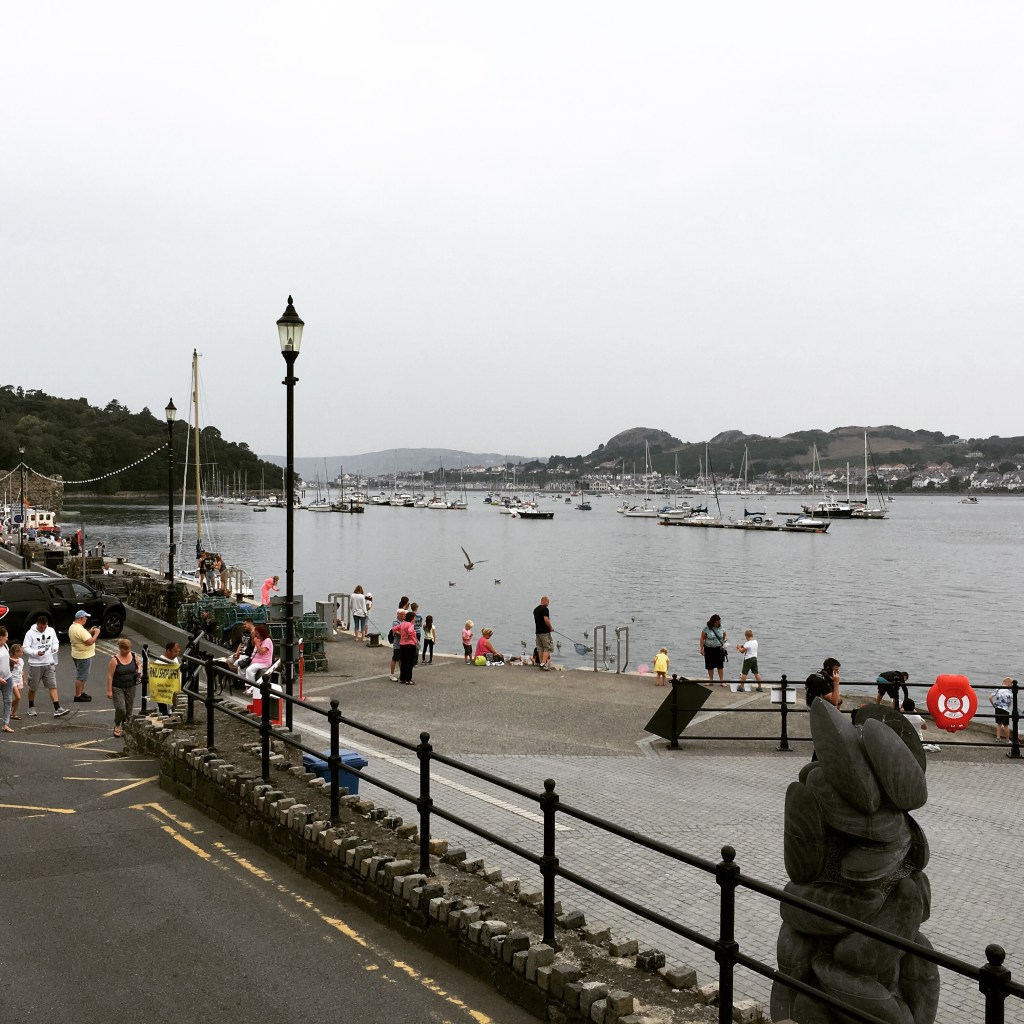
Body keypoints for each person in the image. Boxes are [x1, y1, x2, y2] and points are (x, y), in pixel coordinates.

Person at [23, 615, 69, 718]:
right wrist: (36, 653)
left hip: (49, 663)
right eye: (40, 627)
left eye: (44, 627)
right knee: (33, 687)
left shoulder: (51, 630)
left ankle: (57, 708)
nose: (42, 629)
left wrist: (55, 648)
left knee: (52, 685)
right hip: (36, 664)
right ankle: (31, 707)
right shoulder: (30, 633)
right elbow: (25, 648)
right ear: (37, 624)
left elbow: (55, 642)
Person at [107, 638, 141, 738]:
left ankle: (125, 726)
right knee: (121, 708)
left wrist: (139, 670)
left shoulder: (134, 656)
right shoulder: (114, 660)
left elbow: (139, 664)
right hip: (118, 687)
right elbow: (110, 676)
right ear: (120, 648)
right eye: (125, 649)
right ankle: (117, 724)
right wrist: (109, 691)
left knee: (129, 710)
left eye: (129, 649)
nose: (127, 651)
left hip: (131, 686)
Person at [69, 608, 101, 702]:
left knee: (83, 676)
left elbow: (82, 636)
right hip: (83, 656)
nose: (86, 619)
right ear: (82, 618)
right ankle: (78, 696)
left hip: (77, 653)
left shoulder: (73, 627)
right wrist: (96, 633)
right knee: (81, 676)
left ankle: (81, 692)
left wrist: (90, 631)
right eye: (86, 617)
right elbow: (89, 641)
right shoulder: (79, 629)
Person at [700, 614, 728, 686]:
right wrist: (702, 649)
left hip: (719, 648)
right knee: (710, 665)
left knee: (720, 665)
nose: (718, 623)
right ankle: (711, 680)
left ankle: (721, 681)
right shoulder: (706, 628)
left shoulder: (721, 627)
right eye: (717, 622)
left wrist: (725, 640)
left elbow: (725, 635)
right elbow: (702, 638)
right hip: (709, 648)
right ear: (713, 622)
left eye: (719, 622)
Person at [989, 677, 1015, 742]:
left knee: (999, 724)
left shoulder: (998, 689)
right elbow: (1012, 701)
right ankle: (1007, 739)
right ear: (1009, 684)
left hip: (997, 708)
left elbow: (990, 697)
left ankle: (998, 738)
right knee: (1006, 725)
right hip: (1005, 710)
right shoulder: (1009, 692)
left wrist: (993, 704)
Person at [0, 628, 14, 733]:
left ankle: (5, 724)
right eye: (6, 636)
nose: (7, 638)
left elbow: (6, 657)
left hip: (7, 677)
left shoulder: (5, 645)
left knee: (8, 700)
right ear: (1, 637)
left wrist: (12, 660)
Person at [533, 596, 553, 671]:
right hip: (545, 632)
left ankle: (541, 663)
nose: (548, 604)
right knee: (547, 647)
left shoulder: (535, 610)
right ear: (544, 601)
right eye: (548, 602)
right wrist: (550, 627)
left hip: (538, 632)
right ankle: (544, 664)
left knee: (540, 648)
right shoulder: (545, 609)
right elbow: (546, 619)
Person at [398, 610, 418, 684]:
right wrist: (412, 638)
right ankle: (408, 679)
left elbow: (394, 629)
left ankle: (402, 678)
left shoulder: (402, 624)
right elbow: (410, 631)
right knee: (410, 663)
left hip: (402, 644)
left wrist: (401, 634)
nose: (415, 620)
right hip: (410, 645)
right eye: (414, 618)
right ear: (412, 618)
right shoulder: (410, 625)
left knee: (404, 662)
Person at [8, 643, 24, 721]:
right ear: (15, 652)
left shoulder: (21, 660)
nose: (22, 653)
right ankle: (8, 708)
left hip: (19, 680)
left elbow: (21, 670)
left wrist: (24, 679)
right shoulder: (10, 660)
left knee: (18, 699)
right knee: (18, 697)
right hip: (13, 680)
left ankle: (13, 713)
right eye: (20, 652)